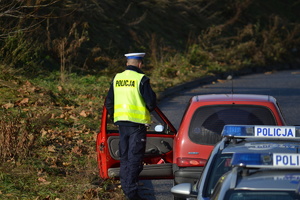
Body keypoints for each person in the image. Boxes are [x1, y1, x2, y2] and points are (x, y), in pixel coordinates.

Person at [105, 52, 157, 200]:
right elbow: (151, 103)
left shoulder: (117, 78)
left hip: (121, 123)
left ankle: (127, 189)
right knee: (134, 158)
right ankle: (131, 193)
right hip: (137, 125)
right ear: (140, 64)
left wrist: (115, 116)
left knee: (125, 158)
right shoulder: (141, 79)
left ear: (127, 63)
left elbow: (109, 102)